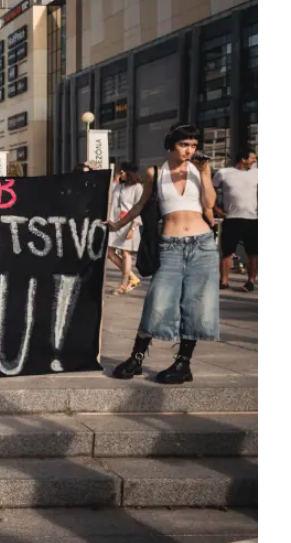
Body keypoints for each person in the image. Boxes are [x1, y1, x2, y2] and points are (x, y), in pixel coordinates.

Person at [109, 125, 219, 382]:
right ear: (171, 144)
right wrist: (117, 224)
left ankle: (183, 364)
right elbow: (141, 204)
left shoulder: (199, 170)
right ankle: (136, 358)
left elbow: (209, 204)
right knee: (157, 301)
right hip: (170, 246)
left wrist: (204, 173)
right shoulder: (155, 173)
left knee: (196, 304)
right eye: (184, 144)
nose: (189, 150)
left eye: (193, 145)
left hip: (202, 245)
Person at [214, 149, 258, 291]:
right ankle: (224, 281)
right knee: (227, 252)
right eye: (253, 158)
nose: (255, 161)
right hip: (231, 219)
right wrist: (216, 208)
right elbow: (210, 190)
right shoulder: (223, 173)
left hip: (252, 219)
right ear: (243, 159)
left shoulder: (257, 173)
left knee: (253, 253)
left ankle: (251, 282)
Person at [107, 165, 143, 293]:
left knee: (125, 253)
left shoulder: (138, 187)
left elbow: (139, 208)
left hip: (129, 224)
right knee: (109, 252)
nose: (120, 174)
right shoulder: (118, 186)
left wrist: (133, 228)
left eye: (122, 172)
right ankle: (133, 278)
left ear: (129, 173)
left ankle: (123, 283)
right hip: (115, 223)